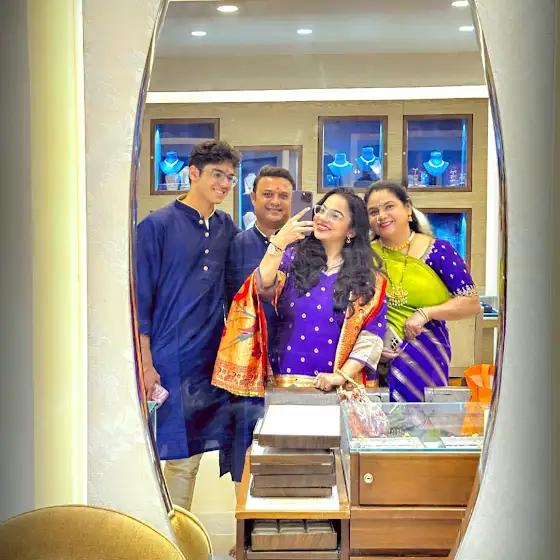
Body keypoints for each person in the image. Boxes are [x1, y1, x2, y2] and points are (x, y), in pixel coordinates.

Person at [136, 140, 241, 511]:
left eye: (230, 177)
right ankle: (169, 536)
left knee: (198, 453)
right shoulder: (157, 226)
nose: (224, 184)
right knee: (173, 455)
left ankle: (184, 535)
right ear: (193, 173)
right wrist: (146, 363)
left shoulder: (226, 227)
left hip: (211, 358)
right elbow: (140, 301)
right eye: (217, 174)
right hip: (169, 357)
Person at [213, 186, 388, 406]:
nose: (322, 217)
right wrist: (278, 244)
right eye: (321, 210)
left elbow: (371, 337)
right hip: (287, 382)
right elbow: (260, 287)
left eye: (335, 215)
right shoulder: (293, 258)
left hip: (340, 389)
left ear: (351, 231)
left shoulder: (369, 280)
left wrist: (341, 376)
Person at [364, 180, 481, 402]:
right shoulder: (365, 256)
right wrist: (374, 345)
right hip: (375, 357)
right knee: (378, 417)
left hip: (427, 353)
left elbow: (471, 302)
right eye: (373, 212)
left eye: (389, 206)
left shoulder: (439, 250)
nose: (381, 216)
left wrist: (426, 313)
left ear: (408, 208)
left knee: (425, 418)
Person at [219, 165, 295, 485]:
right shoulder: (235, 245)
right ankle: (244, 512)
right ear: (252, 198)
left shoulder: (310, 247)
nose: (275, 201)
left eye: (283, 195)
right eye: (267, 194)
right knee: (246, 449)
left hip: (295, 362)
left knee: (293, 449)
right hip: (249, 362)